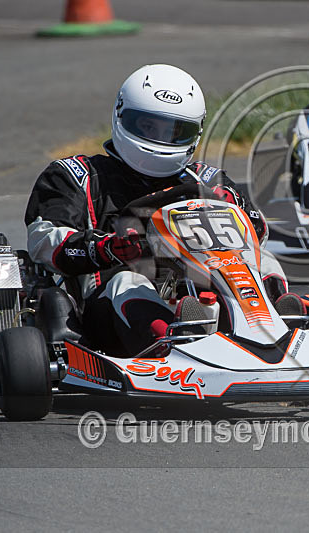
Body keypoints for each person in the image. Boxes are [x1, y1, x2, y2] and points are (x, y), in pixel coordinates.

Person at [25, 64, 288, 355]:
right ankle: (174, 345)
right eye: (148, 127)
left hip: (206, 294)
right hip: (105, 316)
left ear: (195, 132)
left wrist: (235, 206)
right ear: (122, 115)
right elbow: (44, 242)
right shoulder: (75, 175)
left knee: (265, 262)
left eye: (175, 131)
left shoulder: (209, 179)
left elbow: (258, 233)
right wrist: (107, 248)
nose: (160, 140)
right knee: (130, 281)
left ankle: (282, 327)